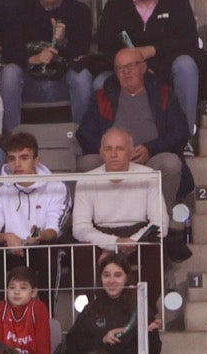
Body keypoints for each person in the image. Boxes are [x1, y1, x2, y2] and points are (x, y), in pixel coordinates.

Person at [97, 0, 207, 134]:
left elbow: (189, 42)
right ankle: (111, 143)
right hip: (126, 70)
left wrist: (152, 52)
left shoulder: (177, 2)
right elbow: (105, 47)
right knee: (99, 82)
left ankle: (183, 136)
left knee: (186, 66)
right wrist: (133, 66)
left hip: (167, 67)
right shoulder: (114, 7)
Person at [76, 48, 190, 221]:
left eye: (131, 65)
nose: (126, 72)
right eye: (120, 68)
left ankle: (160, 219)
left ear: (143, 67)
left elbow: (180, 132)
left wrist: (150, 149)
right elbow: (84, 133)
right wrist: (110, 153)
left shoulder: (163, 94)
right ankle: (102, 220)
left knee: (171, 163)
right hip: (112, 162)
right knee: (87, 163)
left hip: (149, 159)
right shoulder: (102, 96)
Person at [69, 129, 168, 307]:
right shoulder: (86, 180)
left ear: (131, 152)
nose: (113, 155)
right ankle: (94, 311)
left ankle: (147, 311)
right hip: (102, 235)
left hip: (138, 234)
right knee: (81, 252)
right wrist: (113, 244)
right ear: (101, 152)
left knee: (155, 247)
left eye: (120, 149)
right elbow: (80, 228)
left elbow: (160, 223)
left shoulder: (149, 175)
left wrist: (128, 244)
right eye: (108, 149)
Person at [0, 0, 93, 132]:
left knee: (83, 75)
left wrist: (62, 43)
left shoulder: (79, 11)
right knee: (9, 72)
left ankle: (84, 138)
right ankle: (12, 140)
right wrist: (33, 58)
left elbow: (83, 52)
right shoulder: (21, 11)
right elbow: (9, 50)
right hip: (30, 82)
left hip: (63, 82)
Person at [0, 132, 67, 299]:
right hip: (11, 251)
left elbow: (54, 229)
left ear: (36, 161)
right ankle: (3, 315)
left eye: (24, 158)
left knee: (49, 247)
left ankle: (46, 317)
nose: (17, 164)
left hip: (40, 248)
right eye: (12, 159)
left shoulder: (56, 187)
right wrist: (7, 237)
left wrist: (39, 236)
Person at [63, 251, 162, 354]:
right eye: (106, 275)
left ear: (126, 278)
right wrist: (102, 340)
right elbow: (72, 345)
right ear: (100, 279)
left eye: (118, 275)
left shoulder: (140, 310)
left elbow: (155, 350)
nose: (111, 280)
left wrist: (149, 335)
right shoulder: (90, 310)